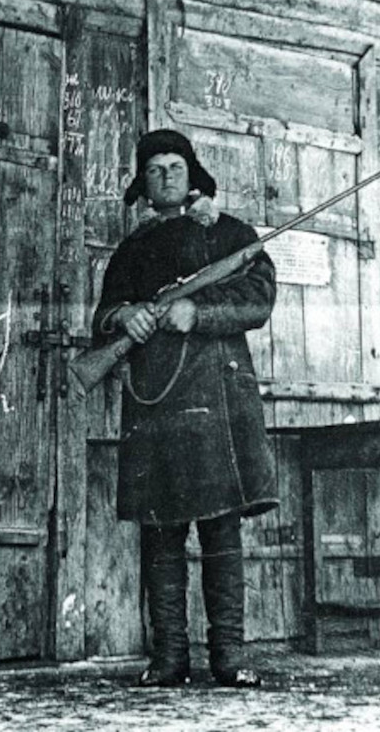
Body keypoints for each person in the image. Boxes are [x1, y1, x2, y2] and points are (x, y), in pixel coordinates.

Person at [92, 129, 278, 687]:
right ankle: (168, 658)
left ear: (192, 174)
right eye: (154, 170)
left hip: (217, 402)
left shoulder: (231, 235)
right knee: (160, 533)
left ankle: (230, 659)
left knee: (221, 531)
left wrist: (197, 314)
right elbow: (104, 313)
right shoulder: (131, 250)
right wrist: (126, 318)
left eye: (175, 167)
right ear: (143, 186)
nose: (166, 176)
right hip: (155, 404)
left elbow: (258, 298)